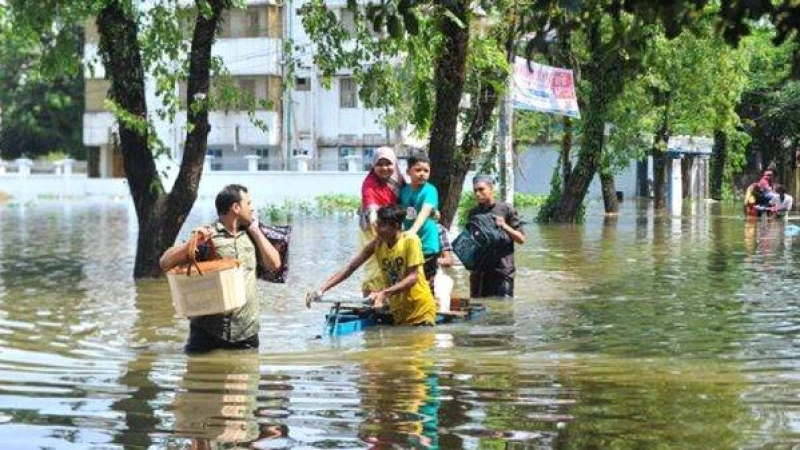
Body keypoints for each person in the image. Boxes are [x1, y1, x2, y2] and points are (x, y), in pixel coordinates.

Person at [160, 184, 281, 353]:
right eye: (248, 203)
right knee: (200, 377)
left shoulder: (253, 236)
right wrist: (190, 244)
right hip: (207, 333)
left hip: (246, 333)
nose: (252, 209)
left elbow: (275, 265)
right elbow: (165, 262)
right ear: (236, 208)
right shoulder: (207, 236)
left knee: (247, 377)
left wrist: (257, 231)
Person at [310, 205, 437, 326]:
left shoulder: (410, 240)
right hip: (400, 313)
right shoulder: (378, 243)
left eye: (381, 225)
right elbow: (351, 268)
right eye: (377, 224)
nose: (376, 228)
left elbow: (413, 278)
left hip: (421, 311)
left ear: (395, 226)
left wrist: (384, 293)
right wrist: (321, 290)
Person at [467, 175, 525, 298]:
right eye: (475, 191)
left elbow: (521, 239)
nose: (477, 193)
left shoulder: (506, 209)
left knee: (503, 310)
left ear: (491, 190)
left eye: (481, 189)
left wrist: (504, 226)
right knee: (478, 310)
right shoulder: (473, 214)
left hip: (502, 272)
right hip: (479, 272)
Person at [359, 146, 404, 296]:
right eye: (380, 164)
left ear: (395, 164)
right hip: (373, 227)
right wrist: (376, 224)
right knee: (374, 262)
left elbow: (407, 198)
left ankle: (390, 295)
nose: (384, 168)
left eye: (388, 164)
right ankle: (371, 295)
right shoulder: (369, 183)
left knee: (394, 259)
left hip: (393, 225)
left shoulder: (398, 178)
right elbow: (370, 203)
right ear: (373, 165)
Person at [399, 154, 441, 282]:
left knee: (427, 283)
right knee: (409, 282)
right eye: (418, 170)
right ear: (408, 171)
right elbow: (407, 213)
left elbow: (425, 210)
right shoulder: (404, 191)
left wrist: (413, 231)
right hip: (410, 244)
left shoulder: (430, 190)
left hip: (427, 244)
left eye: (426, 171)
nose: (422, 174)